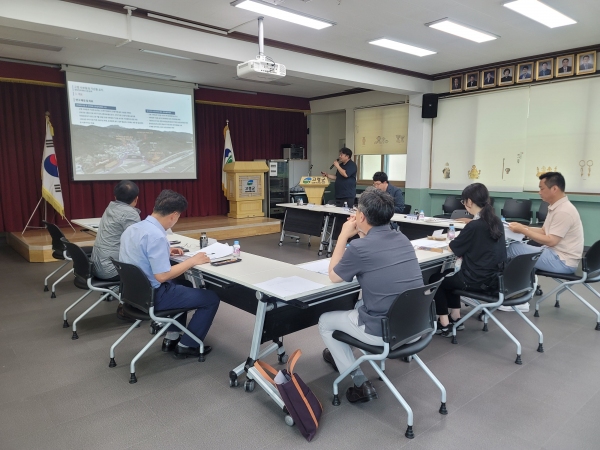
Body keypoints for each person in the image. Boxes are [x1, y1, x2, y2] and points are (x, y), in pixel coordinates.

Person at [318, 190, 423, 403]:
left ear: (362, 217)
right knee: (359, 305)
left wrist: (343, 235)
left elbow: (334, 275)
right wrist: (363, 233)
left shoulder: (359, 247)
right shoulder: (402, 238)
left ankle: (359, 383)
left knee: (325, 321)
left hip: (385, 331)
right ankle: (341, 351)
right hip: (415, 326)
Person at [119, 189, 220, 358]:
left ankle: (171, 338)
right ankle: (188, 345)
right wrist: (192, 261)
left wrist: (166, 250)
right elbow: (162, 276)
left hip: (133, 294)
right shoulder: (157, 236)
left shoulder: (133, 228)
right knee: (211, 298)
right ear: (174, 215)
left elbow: (139, 254)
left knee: (185, 284)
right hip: (154, 296)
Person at [429, 183, 506, 336]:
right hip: (493, 278)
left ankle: (444, 324)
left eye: (463, 201)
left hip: (475, 280)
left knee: (436, 279)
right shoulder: (496, 222)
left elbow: (453, 247)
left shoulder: (474, 226)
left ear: (469, 202)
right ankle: (455, 316)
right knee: (450, 274)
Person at [503, 172, 583, 311]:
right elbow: (544, 231)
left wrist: (523, 231)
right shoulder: (556, 206)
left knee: (513, 249)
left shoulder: (564, 211)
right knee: (519, 249)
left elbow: (551, 241)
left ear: (554, 189)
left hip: (562, 261)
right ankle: (519, 292)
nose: (539, 192)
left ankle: (517, 299)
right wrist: (523, 227)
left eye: (542, 188)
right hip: (555, 254)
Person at [91, 180, 141, 321]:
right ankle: (127, 308)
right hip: (109, 269)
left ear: (115, 197)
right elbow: (137, 243)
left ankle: (118, 292)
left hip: (96, 264)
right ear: (136, 199)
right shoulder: (130, 214)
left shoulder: (111, 207)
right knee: (146, 268)